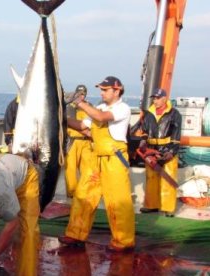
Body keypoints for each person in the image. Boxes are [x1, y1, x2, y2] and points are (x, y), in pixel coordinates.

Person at [58, 76, 135, 252]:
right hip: (96, 158)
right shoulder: (98, 107)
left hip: (114, 160)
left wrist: (79, 102)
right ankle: (75, 234)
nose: (102, 93)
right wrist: (60, 118)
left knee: (117, 202)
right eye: (101, 89)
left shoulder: (122, 108)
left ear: (117, 90)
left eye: (105, 90)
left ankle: (123, 242)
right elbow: (82, 125)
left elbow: (100, 117)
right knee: (83, 196)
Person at [138, 88, 182, 217]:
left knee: (168, 179)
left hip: (167, 149)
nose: (155, 101)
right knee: (151, 179)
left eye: (158, 98)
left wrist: (171, 152)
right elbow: (144, 131)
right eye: (154, 98)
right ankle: (151, 205)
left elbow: (176, 135)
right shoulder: (148, 114)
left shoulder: (174, 114)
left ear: (164, 98)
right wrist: (143, 142)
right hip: (151, 151)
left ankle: (168, 208)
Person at [64, 84, 92, 197]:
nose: (81, 96)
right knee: (70, 167)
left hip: (86, 141)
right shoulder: (69, 106)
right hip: (72, 141)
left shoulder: (89, 106)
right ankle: (72, 192)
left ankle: (86, 190)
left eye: (83, 94)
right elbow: (69, 124)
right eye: (79, 94)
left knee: (87, 167)